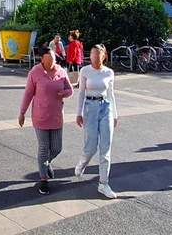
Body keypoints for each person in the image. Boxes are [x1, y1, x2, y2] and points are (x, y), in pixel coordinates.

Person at [18, 47, 74, 195]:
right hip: (40, 116)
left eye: (53, 59)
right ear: (42, 59)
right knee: (43, 148)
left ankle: (46, 163)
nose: (52, 62)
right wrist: (22, 113)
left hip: (56, 116)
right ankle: (43, 179)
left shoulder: (61, 72)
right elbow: (28, 94)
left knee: (56, 148)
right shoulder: (35, 73)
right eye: (48, 58)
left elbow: (70, 90)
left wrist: (64, 93)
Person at [74, 44, 119, 199]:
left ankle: (103, 183)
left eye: (98, 54)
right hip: (89, 108)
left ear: (104, 56)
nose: (95, 56)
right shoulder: (85, 71)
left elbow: (111, 94)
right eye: (93, 54)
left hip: (106, 107)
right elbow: (80, 93)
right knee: (91, 146)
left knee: (105, 148)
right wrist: (78, 113)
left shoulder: (109, 72)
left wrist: (115, 114)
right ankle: (82, 163)